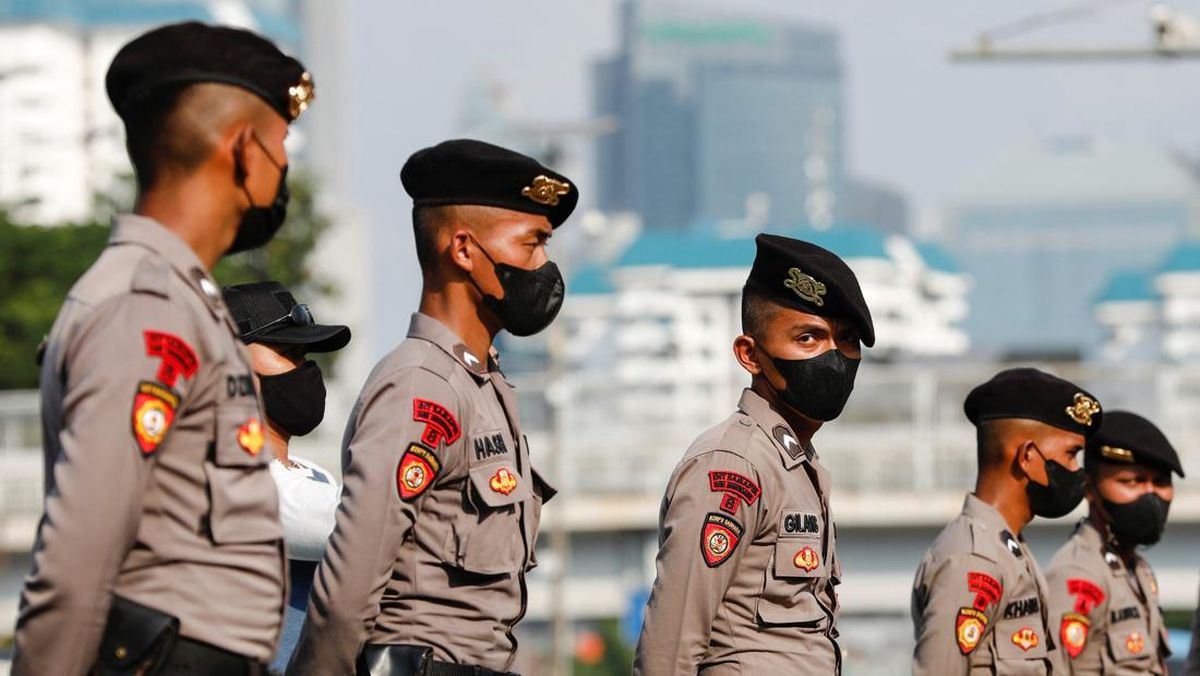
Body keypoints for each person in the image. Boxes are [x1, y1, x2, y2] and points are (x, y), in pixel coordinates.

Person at [12, 21, 314, 675]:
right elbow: (77, 560)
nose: (286, 167)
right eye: (282, 144)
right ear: (243, 150)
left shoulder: (187, 305)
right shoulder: (147, 310)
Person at [287, 139, 575, 676]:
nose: (544, 267)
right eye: (531, 245)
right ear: (463, 250)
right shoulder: (421, 387)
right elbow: (352, 582)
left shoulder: (483, 384)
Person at [633, 234, 874, 675]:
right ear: (750, 355)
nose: (834, 357)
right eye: (808, 338)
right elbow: (669, 649)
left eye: (846, 340)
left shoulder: (798, 467)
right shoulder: (733, 465)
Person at [911, 368, 1103, 674]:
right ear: (1027, 456)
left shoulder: (1008, 550)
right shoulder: (973, 559)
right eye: (1070, 454)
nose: (1077, 470)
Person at [223, 281, 351, 671]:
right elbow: (361, 524)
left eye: (303, 353)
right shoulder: (225, 478)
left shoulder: (313, 476)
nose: (304, 369)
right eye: (286, 352)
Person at [1045, 410, 1184, 673]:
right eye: (1132, 481)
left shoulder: (1137, 570)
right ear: (1089, 489)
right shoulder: (1077, 575)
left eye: (1160, 482)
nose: (1150, 496)